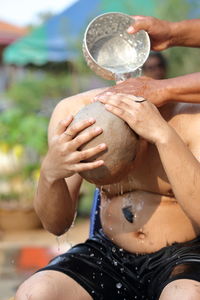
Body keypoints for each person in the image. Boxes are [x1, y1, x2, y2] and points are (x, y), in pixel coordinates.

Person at [15, 16, 200, 300]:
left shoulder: (188, 118)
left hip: (184, 254)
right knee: (36, 292)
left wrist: (163, 136)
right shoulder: (76, 112)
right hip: (108, 253)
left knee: (186, 296)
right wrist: (51, 173)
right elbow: (56, 225)